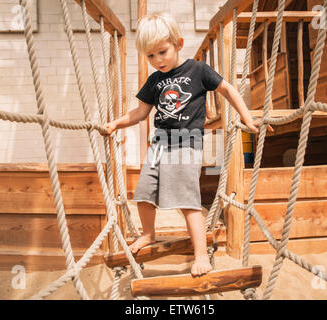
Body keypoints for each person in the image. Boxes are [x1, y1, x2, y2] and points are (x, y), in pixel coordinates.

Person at [102, 12, 267, 276]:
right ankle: (148, 233)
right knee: (143, 192)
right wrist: (115, 124)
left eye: (162, 52)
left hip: (186, 142)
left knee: (187, 200)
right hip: (159, 143)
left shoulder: (198, 70)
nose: (157, 60)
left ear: (178, 44)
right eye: (150, 56)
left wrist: (247, 117)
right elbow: (140, 113)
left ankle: (201, 254)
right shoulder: (155, 81)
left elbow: (228, 89)